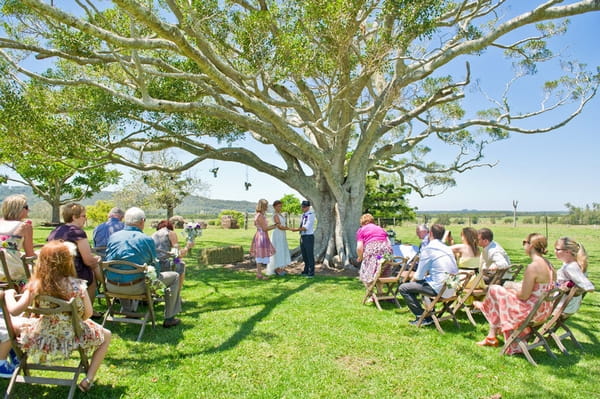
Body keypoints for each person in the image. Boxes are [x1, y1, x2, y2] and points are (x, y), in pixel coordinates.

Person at [3, 240, 111, 392]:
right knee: (106, 336)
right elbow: (88, 313)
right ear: (68, 261)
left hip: (42, 335)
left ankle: (13, 359)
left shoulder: (36, 285)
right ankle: (88, 379)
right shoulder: (78, 285)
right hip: (72, 337)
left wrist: (8, 294)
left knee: (15, 323)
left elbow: (14, 310)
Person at [474, 233, 555, 353]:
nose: (523, 246)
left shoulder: (533, 267)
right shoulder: (549, 264)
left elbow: (524, 295)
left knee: (495, 290)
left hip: (530, 311)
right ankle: (491, 334)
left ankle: (486, 308)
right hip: (544, 310)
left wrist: (511, 288)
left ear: (531, 245)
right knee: (500, 292)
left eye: (524, 243)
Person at [105, 207, 182, 328]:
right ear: (142, 221)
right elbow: (155, 267)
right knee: (175, 276)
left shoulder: (113, 237)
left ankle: (129, 311)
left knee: (122, 272)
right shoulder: (146, 239)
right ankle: (169, 317)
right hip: (137, 287)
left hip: (111, 286)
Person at [398, 224, 458, 326]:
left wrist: (410, 282)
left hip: (440, 289)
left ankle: (422, 316)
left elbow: (418, 276)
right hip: (452, 287)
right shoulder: (447, 248)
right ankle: (429, 312)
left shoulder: (429, 249)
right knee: (426, 282)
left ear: (430, 233)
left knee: (404, 288)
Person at [47, 203, 102, 309]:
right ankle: (87, 311)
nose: (85, 219)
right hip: (74, 272)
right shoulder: (77, 232)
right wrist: (96, 260)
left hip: (56, 271)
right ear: (74, 217)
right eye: (83, 216)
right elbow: (87, 260)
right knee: (92, 275)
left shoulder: (55, 231)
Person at [554, 237, 594, 315]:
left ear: (568, 252)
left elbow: (589, 287)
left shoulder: (571, 267)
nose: (555, 251)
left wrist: (570, 288)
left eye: (557, 249)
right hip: (568, 306)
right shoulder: (574, 265)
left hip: (561, 307)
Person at [0, 194, 35, 283]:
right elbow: (30, 255)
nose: (28, 210)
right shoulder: (25, 227)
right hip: (9, 272)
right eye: (26, 207)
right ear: (19, 208)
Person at [356, 213, 393, 286]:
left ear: (362, 222)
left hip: (373, 251)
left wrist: (360, 257)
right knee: (380, 272)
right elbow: (388, 241)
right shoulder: (380, 228)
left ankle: (370, 294)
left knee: (366, 273)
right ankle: (380, 293)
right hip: (385, 253)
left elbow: (359, 247)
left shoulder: (361, 230)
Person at [152, 220, 187, 292]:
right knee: (181, 264)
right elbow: (178, 254)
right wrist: (187, 247)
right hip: (164, 264)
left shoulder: (153, 235)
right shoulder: (170, 233)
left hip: (152, 265)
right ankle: (177, 295)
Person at [250, 199, 276, 280]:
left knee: (260, 254)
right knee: (260, 254)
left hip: (260, 234)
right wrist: (275, 226)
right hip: (262, 235)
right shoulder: (260, 216)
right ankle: (259, 274)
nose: (267, 207)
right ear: (263, 206)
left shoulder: (258, 215)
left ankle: (259, 274)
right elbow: (265, 228)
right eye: (266, 205)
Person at [266, 200, 291, 276]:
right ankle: (277, 268)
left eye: (281, 206)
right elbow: (279, 227)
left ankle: (280, 268)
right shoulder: (276, 215)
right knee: (278, 250)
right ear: (274, 207)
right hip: (278, 234)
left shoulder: (280, 214)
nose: (280, 208)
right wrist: (289, 228)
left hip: (282, 234)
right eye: (278, 206)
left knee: (282, 249)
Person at [292, 200, 316, 277]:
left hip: (308, 236)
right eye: (302, 206)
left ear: (308, 207)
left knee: (309, 254)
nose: (302, 208)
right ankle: (305, 270)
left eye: (304, 207)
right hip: (303, 236)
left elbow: (306, 227)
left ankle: (311, 272)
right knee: (304, 254)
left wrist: (296, 229)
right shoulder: (303, 215)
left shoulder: (311, 214)